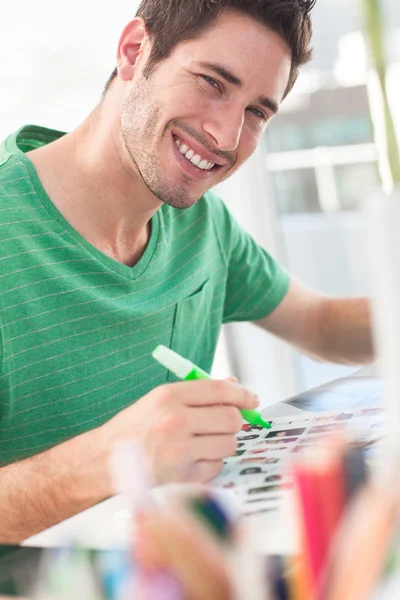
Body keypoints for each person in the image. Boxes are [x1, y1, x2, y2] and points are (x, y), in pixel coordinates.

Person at [0, 0, 373, 543]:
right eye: (212, 82)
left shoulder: (202, 224)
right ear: (134, 51)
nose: (224, 137)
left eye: (256, 112)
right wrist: (107, 459)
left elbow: (319, 324)